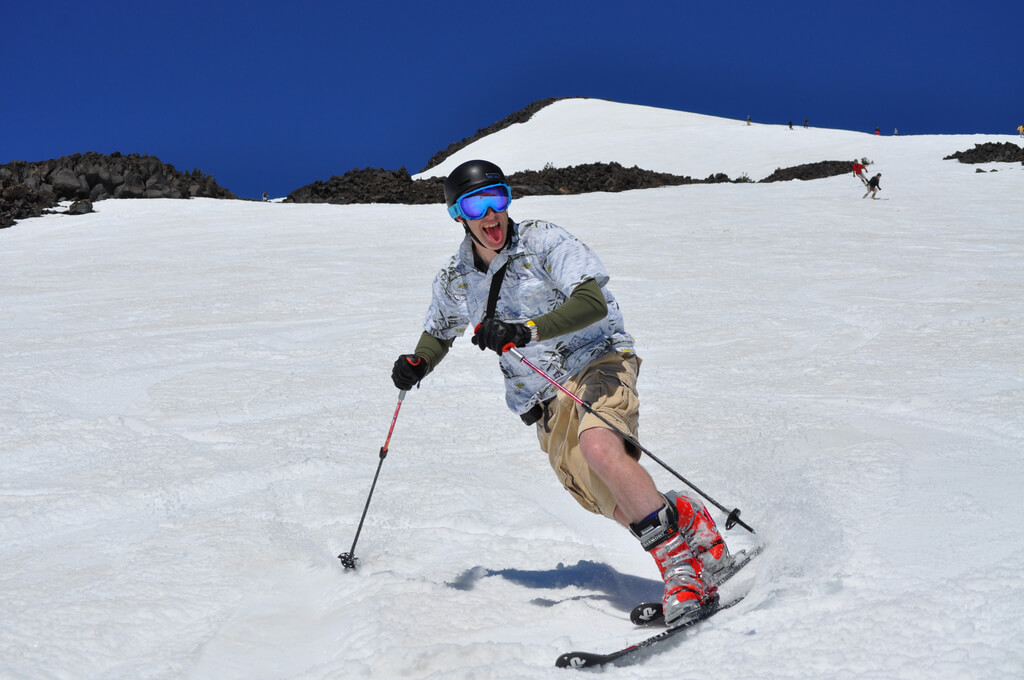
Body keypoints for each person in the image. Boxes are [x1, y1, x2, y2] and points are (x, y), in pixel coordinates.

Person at [390, 159, 734, 627]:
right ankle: (683, 515)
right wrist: (419, 361)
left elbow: (591, 302)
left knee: (600, 448)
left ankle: (681, 572)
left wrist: (525, 330)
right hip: (543, 401)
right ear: (457, 214)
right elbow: (439, 330)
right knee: (601, 497)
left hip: (597, 361)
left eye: (499, 198)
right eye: (476, 203)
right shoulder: (456, 278)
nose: (491, 214)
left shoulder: (543, 241)